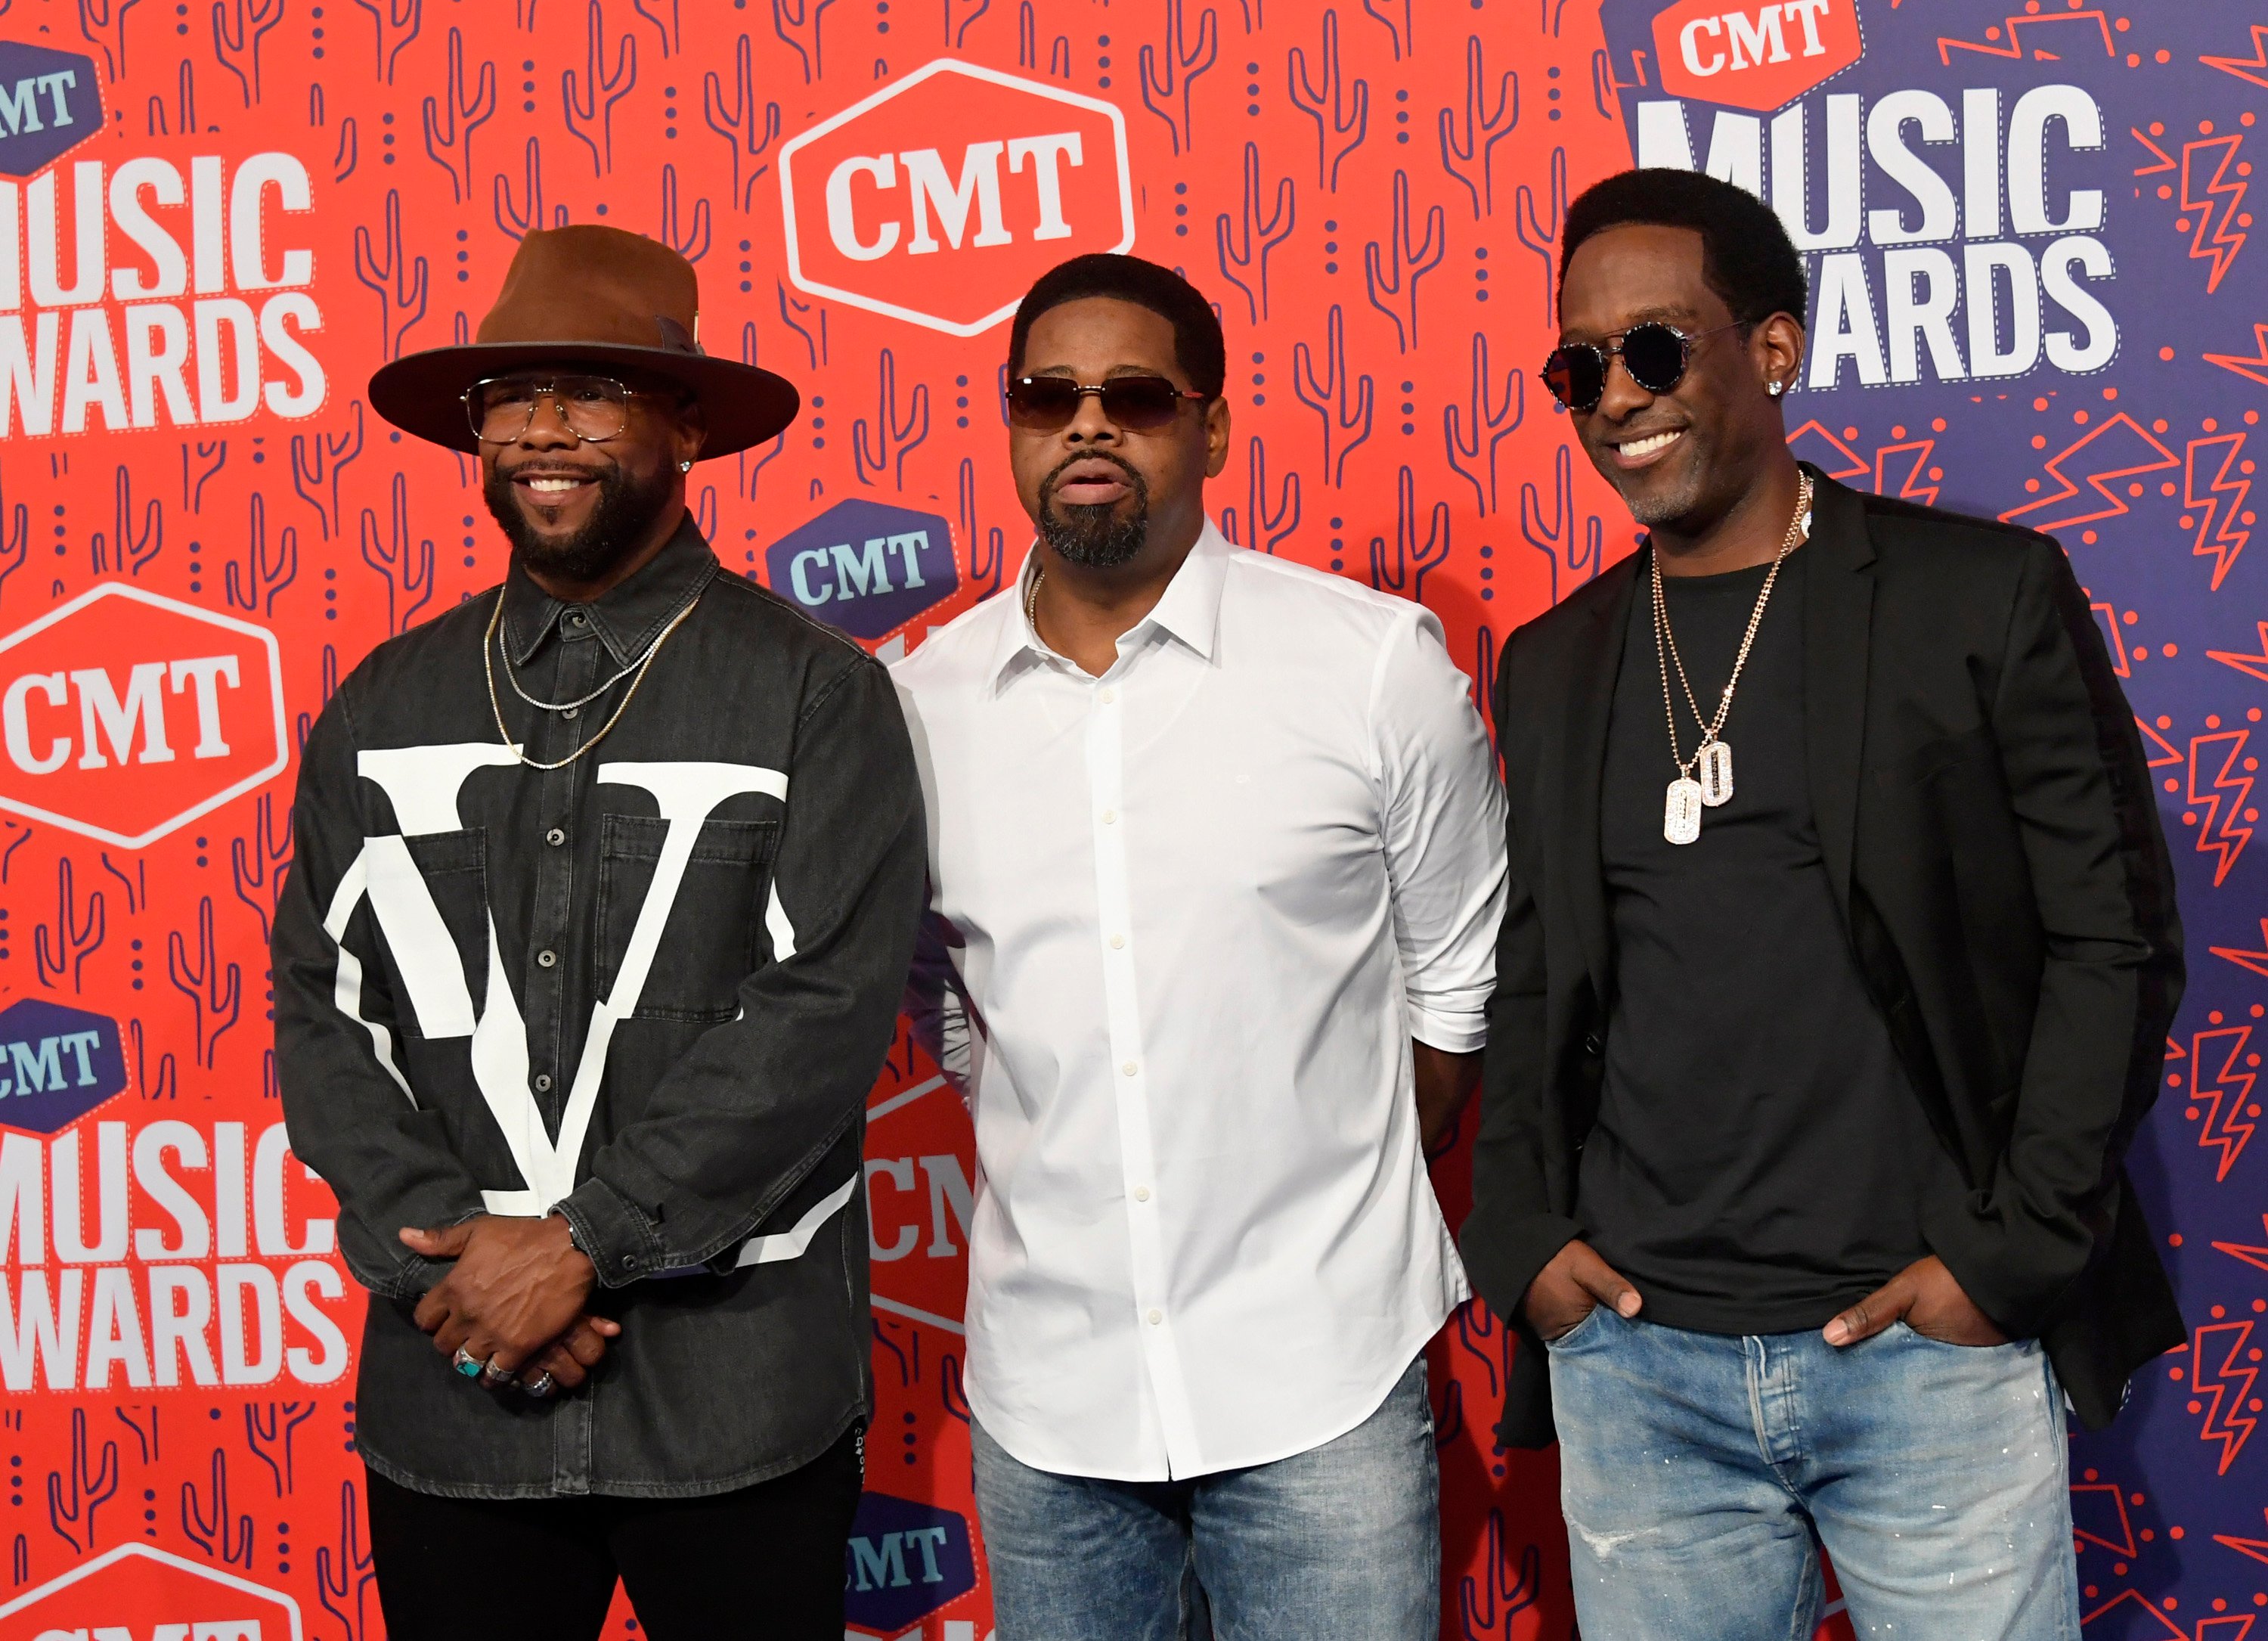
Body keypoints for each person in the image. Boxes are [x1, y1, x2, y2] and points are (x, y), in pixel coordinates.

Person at [1458, 166, 2186, 1639]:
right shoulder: (1556, 661)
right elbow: (1533, 974)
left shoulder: (1976, 598)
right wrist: (1524, 1234)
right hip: (1640, 1368)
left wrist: (2009, 1258)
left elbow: (2114, 939)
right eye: (1578, 365)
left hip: (1926, 1355)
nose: (1615, 395)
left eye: (1656, 347)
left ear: (1774, 349)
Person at [272, 225, 925, 1640]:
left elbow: (820, 1018)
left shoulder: (817, 696)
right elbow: (322, 1013)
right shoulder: (382, 707)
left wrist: (579, 1242)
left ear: (686, 422)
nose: (543, 429)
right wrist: (453, 1273)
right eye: (511, 394)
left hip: (737, 1403)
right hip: (456, 1413)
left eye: (592, 389)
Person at [893, 253, 1507, 1639]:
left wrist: (1316, 1188)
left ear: (1213, 426)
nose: (1089, 424)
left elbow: (1460, 976)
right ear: (1011, 427)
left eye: (1137, 396)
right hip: (1049, 1405)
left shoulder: (1369, 665)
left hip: (1321, 1379)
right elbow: (943, 999)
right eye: (1049, 395)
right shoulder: (920, 708)